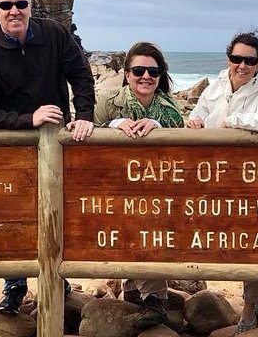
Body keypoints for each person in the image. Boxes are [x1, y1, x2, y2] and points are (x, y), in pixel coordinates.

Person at [0, 0, 95, 315]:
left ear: (30, 5)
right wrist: (28, 119)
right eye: (6, 5)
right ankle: (15, 284)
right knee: (14, 216)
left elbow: (81, 74)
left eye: (20, 4)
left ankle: (58, 277)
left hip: (58, 147)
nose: (14, 11)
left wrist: (84, 116)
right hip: (9, 152)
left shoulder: (54, 35)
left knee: (59, 212)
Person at [187, 30, 258, 334]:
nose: (242, 65)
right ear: (228, 57)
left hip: (247, 180)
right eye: (236, 58)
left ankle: (251, 305)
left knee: (249, 239)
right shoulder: (216, 84)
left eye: (250, 60)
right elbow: (197, 115)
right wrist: (195, 122)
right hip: (212, 175)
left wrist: (232, 122)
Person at [94, 41, 184, 329]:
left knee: (149, 229)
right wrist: (114, 124)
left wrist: (159, 128)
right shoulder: (109, 102)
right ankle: (135, 288)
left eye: (153, 71)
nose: (146, 76)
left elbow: (184, 147)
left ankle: (155, 299)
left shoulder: (170, 110)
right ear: (126, 72)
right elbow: (86, 129)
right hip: (115, 183)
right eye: (138, 70)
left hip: (158, 187)